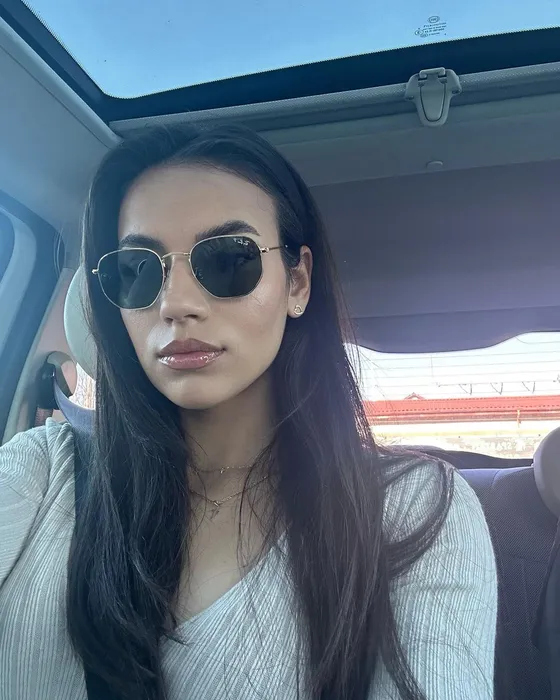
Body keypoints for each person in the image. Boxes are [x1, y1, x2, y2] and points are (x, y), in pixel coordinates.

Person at [0, 124, 497, 700]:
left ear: (297, 283)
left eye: (227, 260)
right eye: (137, 269)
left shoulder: (413, 508)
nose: (176, 304)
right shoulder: (45, 469)